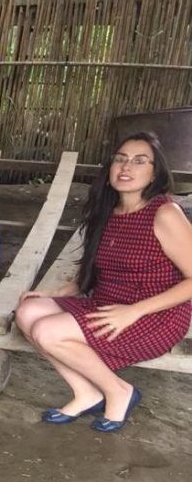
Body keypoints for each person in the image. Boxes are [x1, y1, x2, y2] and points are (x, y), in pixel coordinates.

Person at [15, 131, 192, 432]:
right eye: (120, 159)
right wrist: (58, 292)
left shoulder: (164, 213)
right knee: (27, 311)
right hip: (109, 305)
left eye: (139, 161)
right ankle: (86, 393)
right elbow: (100, 270)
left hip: (155, 316)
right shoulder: (108, 211)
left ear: (154, 173)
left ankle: (118, 391)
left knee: (47, 331)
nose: (126, 167)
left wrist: (134, 311)